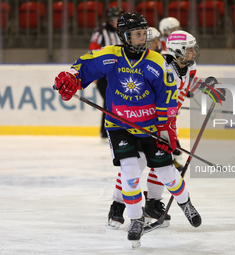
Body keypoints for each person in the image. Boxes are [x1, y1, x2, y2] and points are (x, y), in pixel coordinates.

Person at [54, 12, 201, 247]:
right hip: (119, 126)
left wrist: (167, 132)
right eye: (136, 34)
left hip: (150, 127)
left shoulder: (156, 62)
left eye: (144, 33)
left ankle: (185, 203)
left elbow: (166, 99)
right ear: (124, 36)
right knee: (131, 174)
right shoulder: (111, 56)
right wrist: (72, 76)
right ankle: (135, 220)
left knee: (167, 172)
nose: (142, 38)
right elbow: (85, 64)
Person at [108, 30, 201, 230]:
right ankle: (117, 206)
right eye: (190, 49)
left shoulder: (190, 67)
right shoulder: (162, 66)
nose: (194, 53)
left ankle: (152, 204)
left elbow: (189, 84)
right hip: (147, 123)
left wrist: (207, 88)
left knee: (162, 165)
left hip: (167, 122)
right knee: (135, 165)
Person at [89, 6, 123, 138]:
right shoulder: (100, 31)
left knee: (113, 101)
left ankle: (108, 130)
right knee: (109, 101)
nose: (116, 21)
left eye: (118, 18)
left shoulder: (123, 31)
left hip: (119, 73)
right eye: (114, 19)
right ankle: (107, 130)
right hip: (103, 73)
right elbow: (93, 51)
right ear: (109, 20)